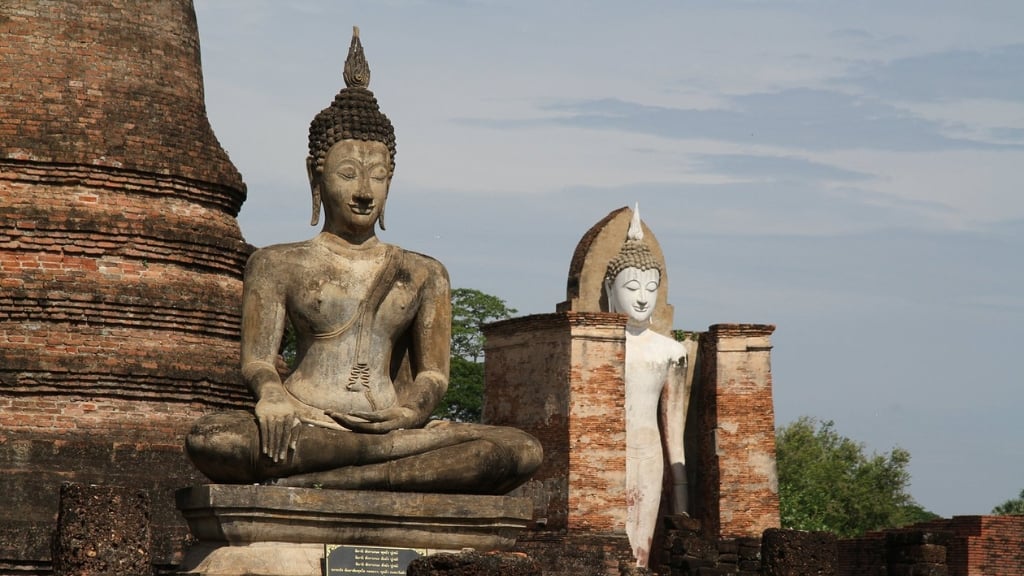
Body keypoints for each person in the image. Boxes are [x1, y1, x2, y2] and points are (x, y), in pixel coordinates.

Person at [185, 28, 542, 495]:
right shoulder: (278, 264)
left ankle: (346, 474)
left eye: (377, 176)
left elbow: (433, 373)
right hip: (306, 422)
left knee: (519, 450)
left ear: (391, 179)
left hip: (392, 426)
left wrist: (412, 411)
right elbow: (257, 361)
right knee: (215, 440)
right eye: (348, 174)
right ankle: (383, 470)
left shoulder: (424, 273)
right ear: (317, 176)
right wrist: (271, 397)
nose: (362, 191)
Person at [603, 207, 690, 567]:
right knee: (611, 524)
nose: (642, 297)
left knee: (642, 536)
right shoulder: (600, 344)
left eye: (651, 288)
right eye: (631, 286)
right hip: (608, 450)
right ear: (611, 287)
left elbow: (673, 428)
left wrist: (681, 491)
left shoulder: (671, 351)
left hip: (650, 449)